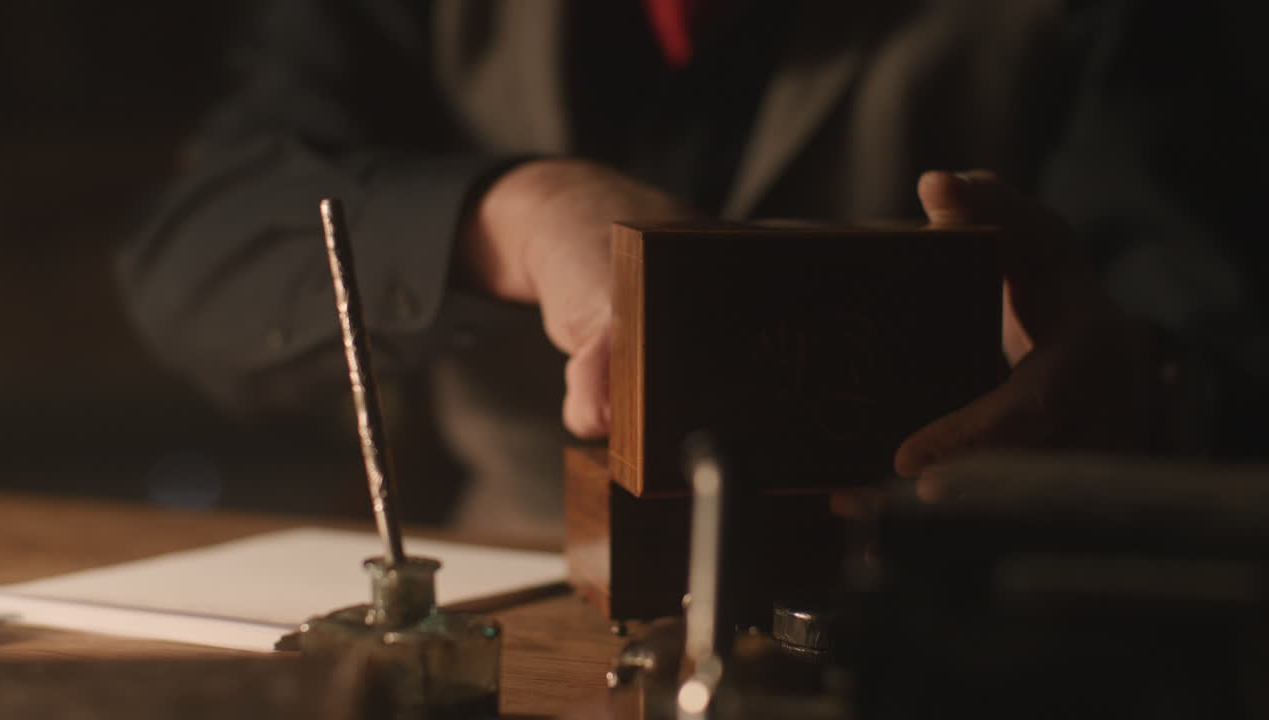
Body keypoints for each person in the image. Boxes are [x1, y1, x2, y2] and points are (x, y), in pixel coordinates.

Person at [117, 0, 1265, 539]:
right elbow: (190, 267)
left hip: (942, 609)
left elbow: (1207, 335)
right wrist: (511, 219)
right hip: (528, 596)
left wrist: (1142, 391)